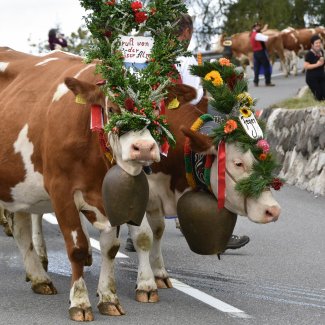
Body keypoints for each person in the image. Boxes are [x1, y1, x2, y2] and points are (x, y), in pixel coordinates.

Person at [125, 14, 250, 253]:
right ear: (186, 33)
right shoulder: (181, 57)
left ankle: (139, 231)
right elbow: (193, 96)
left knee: (144, 174)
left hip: (147, 124)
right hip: (175, 128)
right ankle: (214, 232)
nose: (189, 39)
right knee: (204, 172)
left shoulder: (146, 54)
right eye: (189, 34)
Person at [250, 23, 275, 87]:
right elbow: (266, 38)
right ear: (254, 28)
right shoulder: (257, 35)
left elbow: (261, 33)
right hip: (261, 52)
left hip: (255, 53)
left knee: (257, 68)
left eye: (259, 26)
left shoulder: (252, 34)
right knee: (266, 67)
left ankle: (256, 82)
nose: (259, 27)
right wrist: (275, 35)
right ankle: (268, 82)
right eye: (258, 26)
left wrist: (264, 29)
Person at [303, 34, 325, 101]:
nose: (318, 44)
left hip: (322, 77)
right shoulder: (309, 54)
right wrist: (317, 65)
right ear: (312, 44)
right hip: (312, 78)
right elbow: (306, 66)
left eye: (319, 42)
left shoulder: (321, 52)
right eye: (316, 43)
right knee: (319, 97)